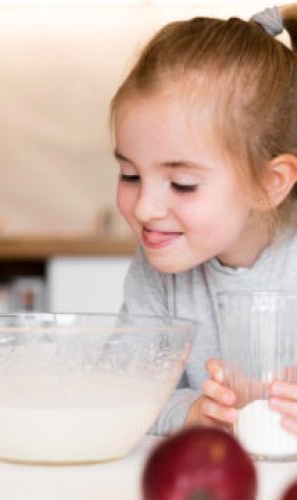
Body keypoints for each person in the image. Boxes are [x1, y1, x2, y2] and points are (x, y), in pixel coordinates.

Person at [111, 5, 297, 436]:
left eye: (182, 184)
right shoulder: (159, 266)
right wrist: (193, 412)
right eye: (130, 175)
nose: (145, 208)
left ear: (270, 182)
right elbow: (125, 390)